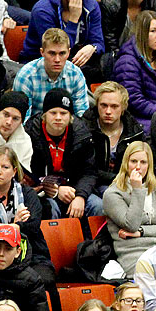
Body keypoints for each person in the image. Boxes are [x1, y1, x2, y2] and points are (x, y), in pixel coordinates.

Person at [19, 0, 105, 81]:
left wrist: (92, 47)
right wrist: (73, 20)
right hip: (41, 63)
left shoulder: (91, 6)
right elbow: (56, 48)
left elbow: (99, 42)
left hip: (73, 62)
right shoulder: (43, 10)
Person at [0, 146, 50, 278]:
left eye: (5, 167)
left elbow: (32, 228)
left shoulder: (28, 195)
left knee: (42, 279)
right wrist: (15, 226)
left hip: (32, 255)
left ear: (14, 171)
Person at [24, 87, 100, 219]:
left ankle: (95, 240)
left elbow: (89, 172)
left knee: (98, 206)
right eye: (53, 113)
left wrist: (81, 196)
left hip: (74, 188)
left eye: (63, 113)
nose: (58, 118)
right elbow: (27, 172)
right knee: (49, 209)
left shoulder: (82, 135)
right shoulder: (30, 134)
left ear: (70, 116)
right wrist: (54, 190)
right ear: (44, 116)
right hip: (44, 192)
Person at [102, 139, 156, 274]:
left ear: (149, 166)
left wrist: (141, 232)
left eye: (143, 162)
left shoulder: (155, 191)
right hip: (133, 254)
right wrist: (137, 190)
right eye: (133, 161)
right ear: (126, 163)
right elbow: (131, 225)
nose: (138, 167)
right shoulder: (113, 194)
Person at [113, 9, 156, 133]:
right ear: (142, 33)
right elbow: (133, 100)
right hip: (137, 121)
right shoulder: (127, 62)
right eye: (153, 31)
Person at [84, 82, 145, 194]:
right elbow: (85, 168)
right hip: (91, 186)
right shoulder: (85, 129)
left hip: (126, 186)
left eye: (114, 106)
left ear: (123, 108)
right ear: (97, 105)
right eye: (104, 105)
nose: (108, 111)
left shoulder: (135, 132)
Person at [14, 28, 89, 118]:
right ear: (42, 52)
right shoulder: (26, 76)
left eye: (62, 53)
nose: (57, 60)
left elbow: (82, 115)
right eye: (52, 53)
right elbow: (22, 119)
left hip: (67, 127)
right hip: (34, 128)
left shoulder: (75, 74)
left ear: (69, 52)